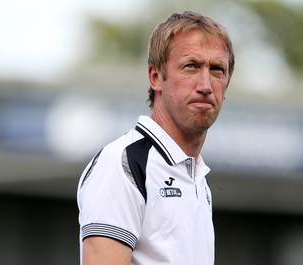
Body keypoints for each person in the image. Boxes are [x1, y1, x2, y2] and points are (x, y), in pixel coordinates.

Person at [77, 10, 235, 265]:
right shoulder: (123, 163)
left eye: (217, 69)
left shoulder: (196, 178)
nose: (205, 85)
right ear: (156, 77)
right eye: (191, 66)